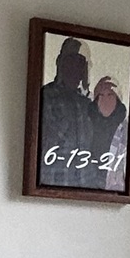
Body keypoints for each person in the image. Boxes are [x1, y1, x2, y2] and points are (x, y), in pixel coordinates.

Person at [37, 36, 93, 184]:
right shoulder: (45, 97)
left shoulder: (87, 104)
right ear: (60, 63)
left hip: (84, 188)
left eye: (80, 63)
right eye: (70, 61)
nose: (75, 68)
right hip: (51, 186)